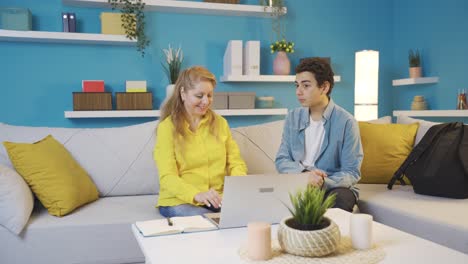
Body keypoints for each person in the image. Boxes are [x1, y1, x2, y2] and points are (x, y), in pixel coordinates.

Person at [155, 66, 247, 218]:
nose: (205, 101)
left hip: (218, 199)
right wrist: (197, 194)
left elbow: (236, 164)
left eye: (209, 95)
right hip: (180, 201)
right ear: (183, 93)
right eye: (199, 96)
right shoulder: (167, 128)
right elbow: (167, 177)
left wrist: (234, 191)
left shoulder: (221, 123)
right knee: (206, 221)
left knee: (252, 215)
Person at [275, 58, 363, 212]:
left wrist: (323, 182)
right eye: (297, 85)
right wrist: (305, 175)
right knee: (269, 195)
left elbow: (351, 172)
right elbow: (282, 160)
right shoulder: (292, 117)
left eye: (306, 85)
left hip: (332, 187)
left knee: (341, 199)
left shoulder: (347, 122)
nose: (298, 91)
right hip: (297, 182)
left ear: (324, 87)